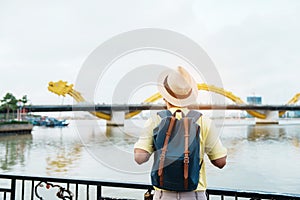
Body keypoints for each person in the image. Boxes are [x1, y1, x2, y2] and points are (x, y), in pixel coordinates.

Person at [134, 66, 227, 200]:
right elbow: (220, 162)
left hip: (162, 196)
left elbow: (139, 158)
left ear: (165, 96)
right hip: (195, 195)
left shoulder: (155, 120)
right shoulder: (204, 121)